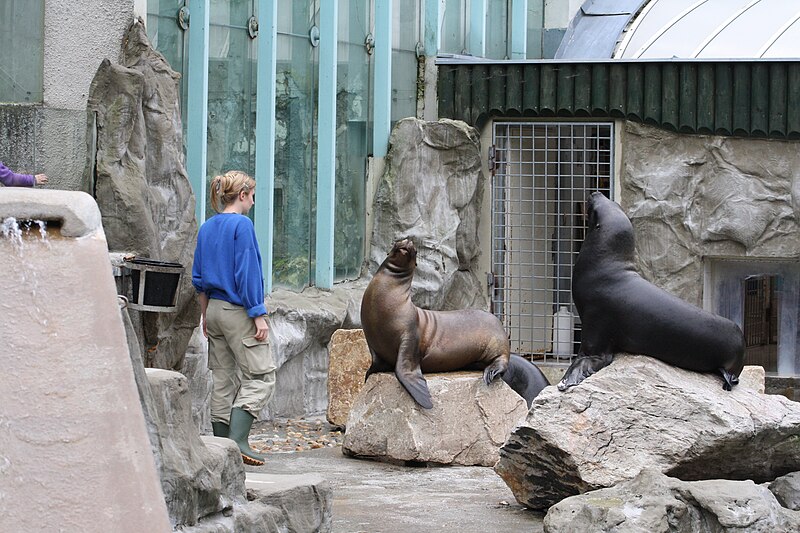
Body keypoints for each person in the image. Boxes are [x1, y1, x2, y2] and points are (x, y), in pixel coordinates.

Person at [192, 170, 275, 466]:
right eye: (252, 196)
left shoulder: (207, 227)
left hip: (213, 309)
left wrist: (205, 315)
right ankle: (238, 441)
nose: (253, 202)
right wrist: (258, 314)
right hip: (237, 310)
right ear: (241, 195)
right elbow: (247, 272)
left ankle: (220, 446)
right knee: (261, 376)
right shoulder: (242, 225)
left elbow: (199, 278)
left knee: (223, 379)